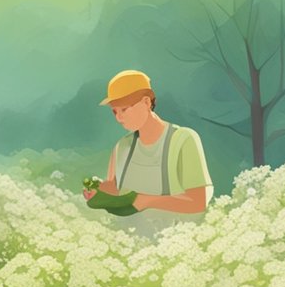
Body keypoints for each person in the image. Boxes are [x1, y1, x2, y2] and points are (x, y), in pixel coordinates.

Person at [82, 70, 212, 218]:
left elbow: (198, 202)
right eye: (115, 112)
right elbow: (114, 187)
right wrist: (99, 190)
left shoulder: (183, 140)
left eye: (124, 109)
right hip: (127, 234)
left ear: (146, 102)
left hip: (172, 235)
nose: (119, 118)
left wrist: (148, 201)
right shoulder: (122, 146)